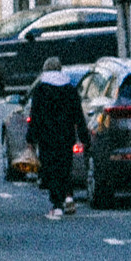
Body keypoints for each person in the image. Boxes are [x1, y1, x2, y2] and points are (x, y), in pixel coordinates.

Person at [26, 64, 87, 217]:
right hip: (66, 135)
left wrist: (31, 139)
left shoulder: (41, 90)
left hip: (47, 137)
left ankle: (57, 204)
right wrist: (84, 137)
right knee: (65, 166)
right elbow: (78, 115)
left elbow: (35, 116)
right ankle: (68, 196)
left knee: (52, 169)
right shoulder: (70, 89)